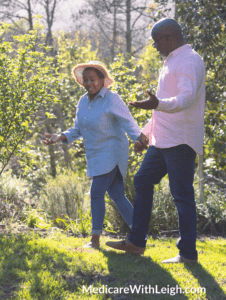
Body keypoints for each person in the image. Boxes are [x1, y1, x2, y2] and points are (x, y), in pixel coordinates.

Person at [106, 18, 206, 264]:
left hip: (180, 141)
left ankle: (187, 254)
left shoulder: (189, 60)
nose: (155, 47)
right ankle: (136, 242)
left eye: (156, 42)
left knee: (181, 194)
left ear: (169, 38)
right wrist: (146, 134)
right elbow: (161, 107)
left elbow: (186, 99)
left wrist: (157, 103)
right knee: (142, 181)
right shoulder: (171, 60)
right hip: (162, 141)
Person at [42, 61, 148, 249]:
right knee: (117, 195)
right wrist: (60, 136)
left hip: (112, 150)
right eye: (85, 80)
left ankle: (95, 240)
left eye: (93, 79)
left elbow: (128, 121)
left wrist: (139, 138)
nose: (89, 83)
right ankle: (139, 235)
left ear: (102, 80)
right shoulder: (83, 101)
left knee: (96, 192)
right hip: (95, 153)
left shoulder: (112, 99)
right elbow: (77, 128)